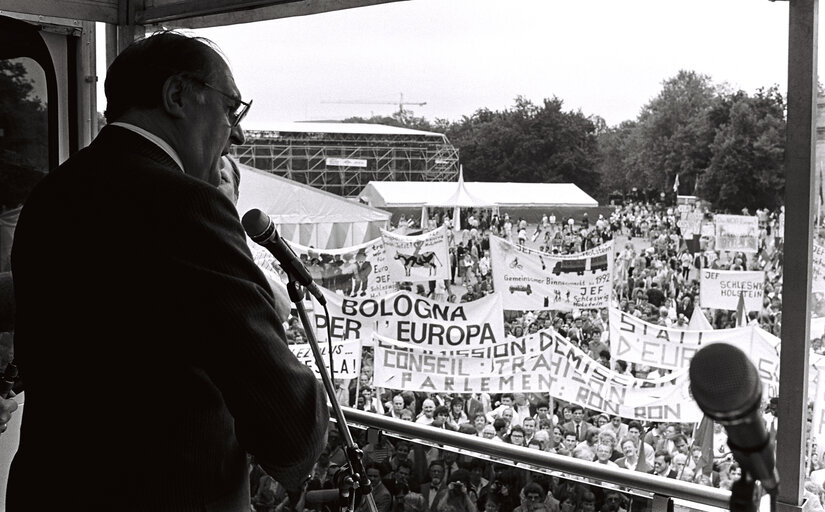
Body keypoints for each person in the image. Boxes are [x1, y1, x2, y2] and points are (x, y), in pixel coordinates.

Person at [9, 31, 329, 509]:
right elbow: (288, 423)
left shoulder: (54, 191)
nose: (237, 134)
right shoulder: (186, 206)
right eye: (231, 109)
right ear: (177, 95)